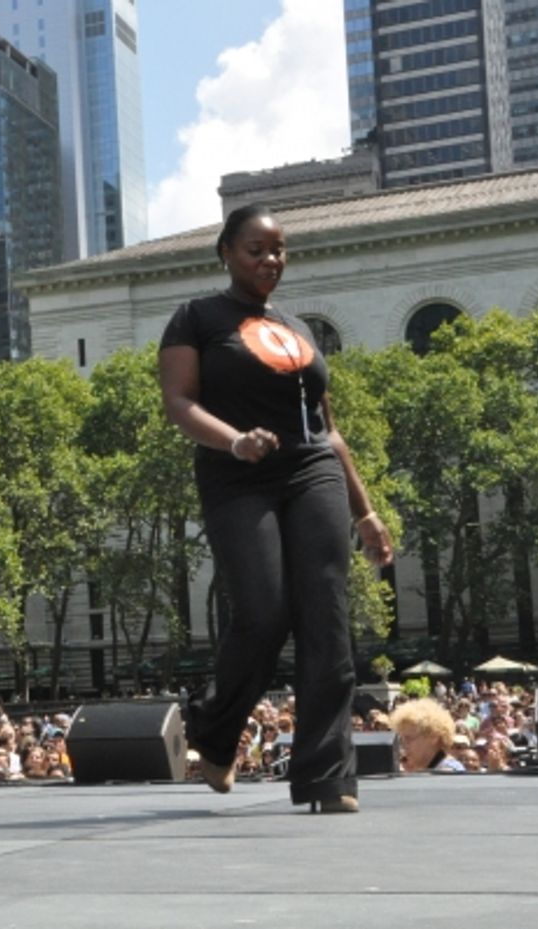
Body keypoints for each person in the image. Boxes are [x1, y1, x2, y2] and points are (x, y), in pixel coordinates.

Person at [158, 203, 393, 814]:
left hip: (312, 469)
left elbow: (329, 430)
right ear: (226, 254)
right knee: (263, 611)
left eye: (279, 250)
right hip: (238, 476)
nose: (270, 260)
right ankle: (213, 730)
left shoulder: (299, 329)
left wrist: (365, 514)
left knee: (327, 617)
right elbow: (179, 402)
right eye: (256, 250)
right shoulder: (196, 318)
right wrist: (234, 440)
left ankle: (328, 778)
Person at [389, 698, 465, 772]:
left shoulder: (448, 773)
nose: (404, 746)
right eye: (402, 740)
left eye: (409, 739)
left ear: (433, 736)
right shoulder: (428, 771)